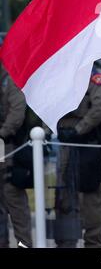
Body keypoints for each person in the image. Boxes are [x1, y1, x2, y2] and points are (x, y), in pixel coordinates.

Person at [55, 64, 101, 248]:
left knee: (91, 195)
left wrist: (78, 130)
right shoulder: (61, 74)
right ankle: (66, 242)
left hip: (87, 143)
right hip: (63, 142)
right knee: (64, 195)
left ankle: (93, 242)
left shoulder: (95, 76)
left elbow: (99, 109)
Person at [0, 61, 32, 248]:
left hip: (10, 146)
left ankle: (24, 245)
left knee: (14, 199)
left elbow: (17, 113)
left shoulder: (10, 78)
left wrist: (2, 133)